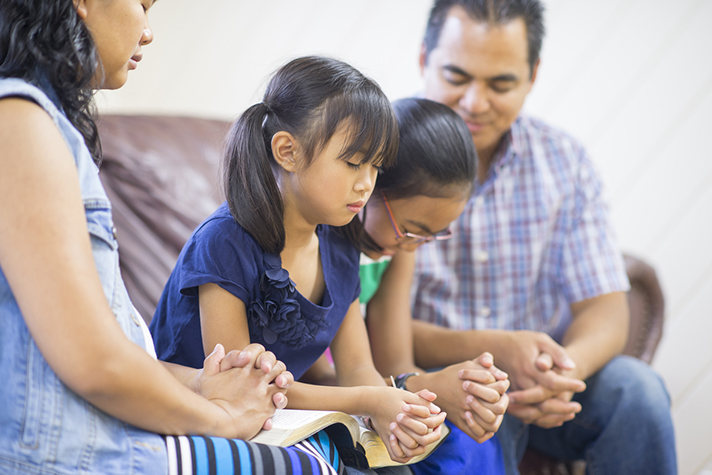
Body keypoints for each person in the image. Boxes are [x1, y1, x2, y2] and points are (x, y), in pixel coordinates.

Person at [0, 1, 353, 474]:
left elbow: (114, 348)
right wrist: (219, 418)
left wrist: (205, 387)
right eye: (142, 5)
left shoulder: (39, 124)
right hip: (77, 454)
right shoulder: (20, 122)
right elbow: (94, 363)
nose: (147, 32)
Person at [409, 1, 678, 474]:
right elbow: (369, 328)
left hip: (538, 383)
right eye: (456, 77)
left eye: (501, 83)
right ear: (423, 60)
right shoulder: (384, 156)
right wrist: (501, 349)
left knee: (637, 391)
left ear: (532, 75)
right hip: (439, 381)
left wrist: (558, 374)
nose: (475, 102)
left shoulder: (563, 162)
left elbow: (605, 309)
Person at [149, 56, 447, 470]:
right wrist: (368, 399)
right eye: (353, 162)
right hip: (195, 416)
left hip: (278, 420)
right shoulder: (226, 240)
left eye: (376, 166)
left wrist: (399, 414)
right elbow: (240, 387)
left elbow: (357, 365)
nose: (367, 183)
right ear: (287, 151)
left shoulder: (341, 245)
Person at [303, 97, 511, 475]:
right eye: (412, 229)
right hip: (321, 395)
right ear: (368, 183)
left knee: (469, 442)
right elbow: (315, 373)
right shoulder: (318, 247)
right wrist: (419, 389)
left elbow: (393, 361)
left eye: (432, 236)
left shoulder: (399, 248)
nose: (413, 245)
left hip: (366, 387)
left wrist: (451, 390)